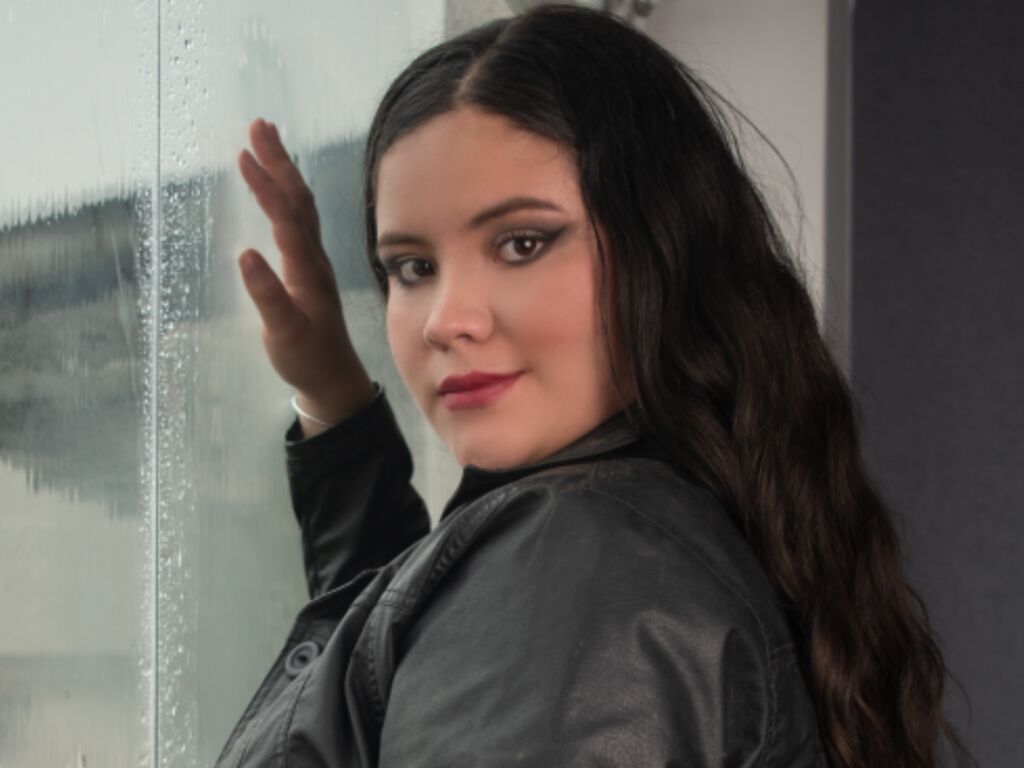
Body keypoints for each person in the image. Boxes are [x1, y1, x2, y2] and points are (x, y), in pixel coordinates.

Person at [220, 5, 975, 767]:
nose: (445, 320)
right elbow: (413, 676)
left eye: (522, 243)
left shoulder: (579, 567)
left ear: (663, 249)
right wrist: (334, 399)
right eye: (413, 268)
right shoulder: (663, 522)